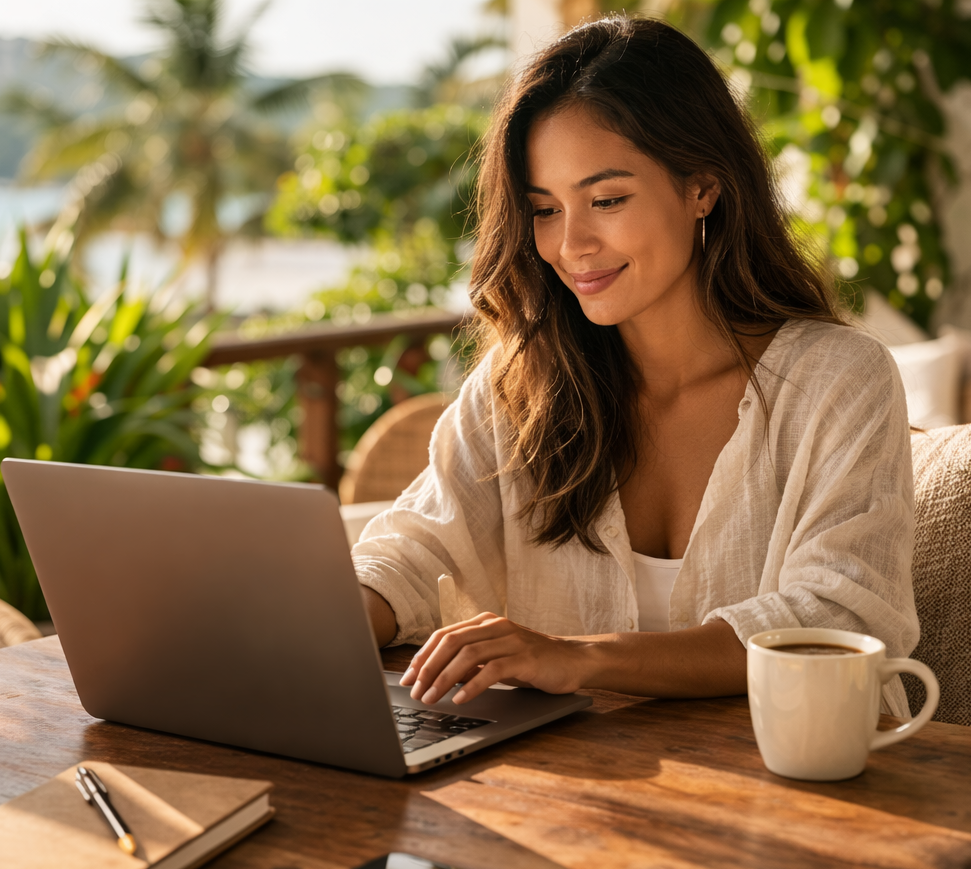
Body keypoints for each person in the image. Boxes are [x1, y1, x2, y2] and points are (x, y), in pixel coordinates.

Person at [352, 15, 917, 716]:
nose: (571, 245)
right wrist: (316, 620)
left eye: (607, 200)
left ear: (702, 187)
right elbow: (412, 553)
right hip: (583, 781)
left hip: (798, 776)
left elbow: (836, 618)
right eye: (544, 210)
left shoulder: (838, 380)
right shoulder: (521, 385)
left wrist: (581, 656)